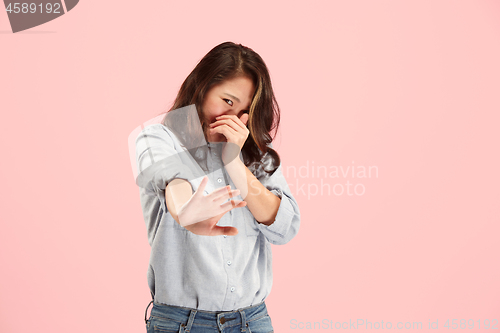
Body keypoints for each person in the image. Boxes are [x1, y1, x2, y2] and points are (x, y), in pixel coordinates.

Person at [134, 41, 300, 333]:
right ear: (202, 87)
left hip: (253, 321)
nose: (232, 119)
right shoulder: (158, 137)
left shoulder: (257, 151)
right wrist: (188, 212)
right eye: (227, 101)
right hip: (181, 324)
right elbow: (173, 183)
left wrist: (234, 162)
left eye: (244, 110)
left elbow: (284, 228)